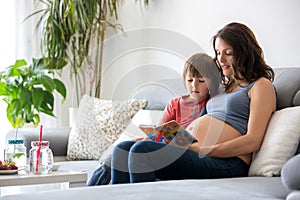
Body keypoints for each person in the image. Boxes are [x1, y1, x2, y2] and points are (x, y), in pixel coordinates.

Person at [110, 22, 276, 184]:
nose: (221, 59)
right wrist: (157, 137)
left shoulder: (260, 86)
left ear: (245, 52)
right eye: (218, 53)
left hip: (228, 161)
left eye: (228, 53)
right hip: (193, 149)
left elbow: (253, 140)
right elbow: (198, 129)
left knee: (142, 151)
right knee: (122, 149)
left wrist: (204, 149)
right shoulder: (223, 87)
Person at [87, 53, 221, 186]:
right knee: (121, 148)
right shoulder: (175, 104)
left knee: (139, 149)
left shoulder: (213, 104)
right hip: (168, 145)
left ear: (212, 81)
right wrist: (144, 138)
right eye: (190, 80)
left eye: (201, 81)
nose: (194, 86)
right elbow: (160, 132)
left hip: (190, 151)